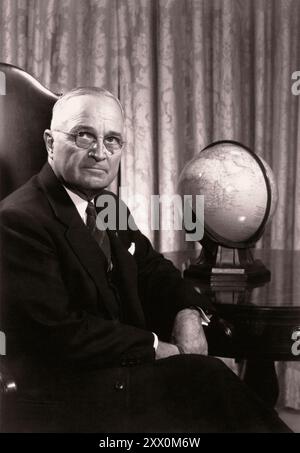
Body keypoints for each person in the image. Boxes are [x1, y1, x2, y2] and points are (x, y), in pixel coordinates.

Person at [0, 87, 290, 433]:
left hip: (121, 376)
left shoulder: (107, 208)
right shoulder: (19, 220)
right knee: (212, 384)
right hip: (66, 394)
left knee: (219, 392)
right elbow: (61, 333)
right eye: (84, 136)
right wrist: (156, 347)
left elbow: (155, 271)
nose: (99, 153)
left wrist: (187, 313)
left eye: (112, 141)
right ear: (50, 143)